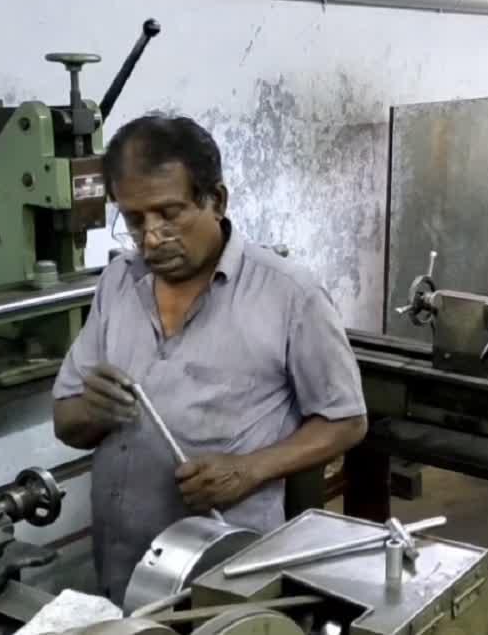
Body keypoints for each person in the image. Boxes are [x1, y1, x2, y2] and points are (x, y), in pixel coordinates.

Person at [51, 114, 369, 603]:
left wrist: (250, 470)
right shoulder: (117, 284)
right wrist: (92, 411)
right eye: (135, 220)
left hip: (228, 573)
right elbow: (66, 421)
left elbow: (346, 421)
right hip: (121, 567)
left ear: (215, 200)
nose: (151, 237)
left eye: (169, 213)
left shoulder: (290, 295)